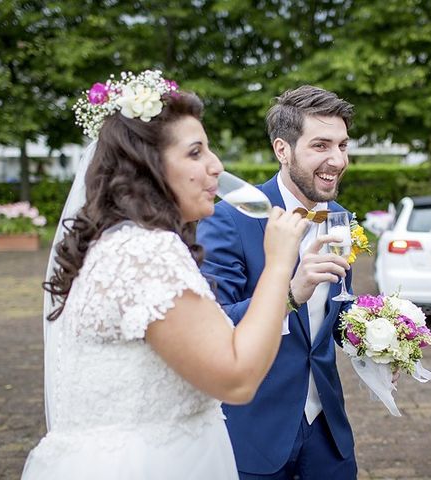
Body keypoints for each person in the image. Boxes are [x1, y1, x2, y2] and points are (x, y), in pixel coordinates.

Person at [21, 70, 308, 480]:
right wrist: (279, 265)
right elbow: (237, 378)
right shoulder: (144, 251)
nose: (216, 166)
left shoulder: (120, 243)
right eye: (195, 153)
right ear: (146, 168)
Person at [197, 85, 357, 479]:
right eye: (321, 145)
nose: (337, 160)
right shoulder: (229, 219)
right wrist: (290, 293)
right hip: (255, 430)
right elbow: (211, 325)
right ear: (282, 149)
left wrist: (376, 333)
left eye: (343, 145)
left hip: (328, 435)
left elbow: (332, 314)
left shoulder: (340, 218)